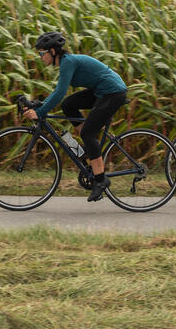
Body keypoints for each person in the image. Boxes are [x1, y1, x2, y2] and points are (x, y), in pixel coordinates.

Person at [22, 31, 128, 202]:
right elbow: (59, 95)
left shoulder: (67, 62)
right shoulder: (66, 62)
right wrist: (40, 105)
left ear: (53, 51)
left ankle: (100, 180)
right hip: (101, 91)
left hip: (113, 92)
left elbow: (59, 92)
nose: (41, 57)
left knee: (88, 133)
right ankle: (86, 148)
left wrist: (40, 112)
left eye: (42, 53)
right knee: (68, 105)